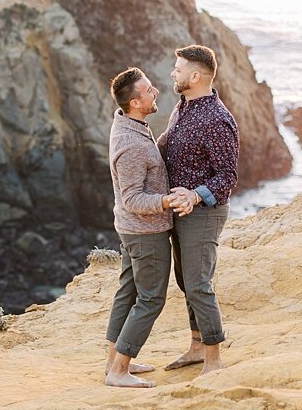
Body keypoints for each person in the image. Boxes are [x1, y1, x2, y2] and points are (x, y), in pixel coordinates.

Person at [103, 67, 194, 388]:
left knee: (128, 292)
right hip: (144, 233)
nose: (156, 92)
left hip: (132, 230)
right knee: (151, 299)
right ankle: (118, 371)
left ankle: (114, 361)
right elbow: (132, 199)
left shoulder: (130, 124)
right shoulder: (131, 144)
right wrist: (168, 201)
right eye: (149, 90)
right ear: (135, 103)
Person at [159, 44, 239, 375]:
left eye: (177, 69)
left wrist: (194, 196)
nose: (172, 73)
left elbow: (228, 176)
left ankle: (214, 360)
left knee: (198, 284)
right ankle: (195, 347)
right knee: (184, 280)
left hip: (203, 214)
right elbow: (164, 145)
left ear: (195, 76)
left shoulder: (217, 119)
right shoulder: (183, 107)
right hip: (179, 210)